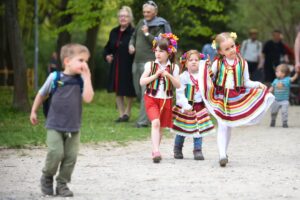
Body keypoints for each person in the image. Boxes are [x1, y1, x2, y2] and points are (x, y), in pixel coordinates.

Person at [198, 32, 274, 167]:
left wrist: (258, 84)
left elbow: (246, 82)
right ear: (221, 51)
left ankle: (224, 152)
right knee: (222, 124)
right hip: (221, 97)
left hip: (235, 98)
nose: (231, 50)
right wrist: (207, 68)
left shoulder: (242, 63)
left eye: (232, 46)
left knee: (229, 127)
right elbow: (209, 77)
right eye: (227, 49)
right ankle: (222, 154)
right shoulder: (218, 63)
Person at [30, 43, 94, 197]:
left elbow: (88, 98)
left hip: (73, 126)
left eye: (86, 61)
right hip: (55, 124)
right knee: (55, 153)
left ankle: (62, 183)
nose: (84, 64)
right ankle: (47, 177)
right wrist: (33, 111)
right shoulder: (55, 77)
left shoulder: (80, 80)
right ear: (67, 61)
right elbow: (41, 94)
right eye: (81, 60)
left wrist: (87, 78)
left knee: (71, 157)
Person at [129, 0, 171, 128]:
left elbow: (160, 43)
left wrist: (147, 33)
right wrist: (131, 44)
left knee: (145, 92)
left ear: (155, 12)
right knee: (137, 90)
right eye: (144, 12)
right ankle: (151, 115)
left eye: (148, 12)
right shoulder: (141, 22)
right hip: (136, 61)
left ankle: (143, 121)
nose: (146, 14)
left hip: (150, 62)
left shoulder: (161, 24)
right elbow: (134, 36)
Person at [140, 33, 180, 163]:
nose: (158, 54)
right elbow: (142, 82)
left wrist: (168, 75)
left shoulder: (174, 67)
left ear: (169, 53)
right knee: (155, 122)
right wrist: (155, 75)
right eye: (156, 50)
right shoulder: (150, 65)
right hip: (151, 98)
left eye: (161, 51)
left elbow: (178, 85)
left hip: (166, 99)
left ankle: (155, 149)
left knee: (161, 126)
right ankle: (156, 151)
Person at [172, 50, 215, 160]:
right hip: (186, 107)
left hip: (199, 107)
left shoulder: (203, 76)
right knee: (182, 129)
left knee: (198, 129)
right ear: (186, 63)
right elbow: (180, 93)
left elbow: (209, 89)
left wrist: (208, 72)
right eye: (191, 60)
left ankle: (197, 150)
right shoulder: (183, 77)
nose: (194, 62)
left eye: (196, 60)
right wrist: (185, 105)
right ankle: (177, 148)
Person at [103, 6, 136, 122]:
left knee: (129, 89)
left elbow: (139, 47)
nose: (123, 18)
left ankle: (128, 110)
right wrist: (107, 55)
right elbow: (107, 48)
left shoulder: (134, 32)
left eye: (126, 16)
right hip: (116, 65)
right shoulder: (114, 32)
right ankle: (122, 114)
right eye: (121, 16)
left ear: (130, 18)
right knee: (118, 89)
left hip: (129, 64)